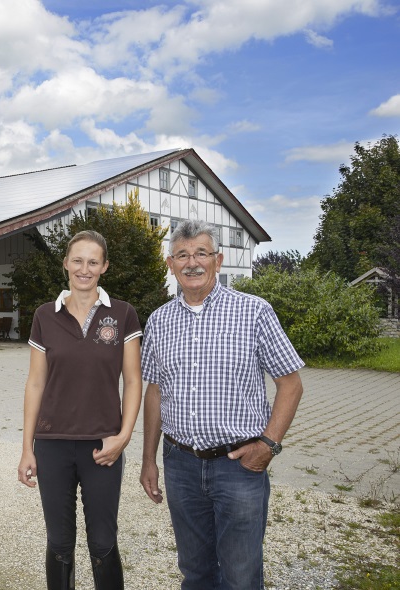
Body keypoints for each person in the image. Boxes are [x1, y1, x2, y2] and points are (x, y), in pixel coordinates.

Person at [139, 219, 304, 590]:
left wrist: (268, 445)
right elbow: (154, 392)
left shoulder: (254, 311)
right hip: (179, 464)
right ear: (170, 263)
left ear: (219, 259)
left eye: (201, 253)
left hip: (239, 466)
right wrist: (149, 459)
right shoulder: (159, 321)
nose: (192, 262)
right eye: (182, 254)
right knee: (195, 573)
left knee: (241, 576)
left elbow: (291, 385)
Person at [17, 230, 143, 590]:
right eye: (77, 260)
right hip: (53, 444)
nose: (84, 269)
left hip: (103, 447)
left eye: (92, 261)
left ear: (104, 266)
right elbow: (35, 384)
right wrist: (27, 448)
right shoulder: (45, 315)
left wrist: (123, 437)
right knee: (59, 542)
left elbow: (133, 382)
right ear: (65, 263)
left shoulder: (123, 314)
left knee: (103, 542)